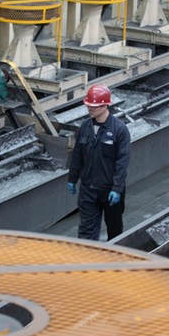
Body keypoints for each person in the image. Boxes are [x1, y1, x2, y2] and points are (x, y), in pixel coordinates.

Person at [67, 85, 131, 241]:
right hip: (88, 189)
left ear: (105, 105)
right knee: (86, 231)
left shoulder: (119, 130)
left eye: (94, 106)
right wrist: (72, 178)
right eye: (88, 105)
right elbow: (77, 155)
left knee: (114, 229)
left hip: (109, 190)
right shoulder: (85, 127)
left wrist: (116, 188)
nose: (90, 108)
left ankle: (114, 260)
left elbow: (122, 162)